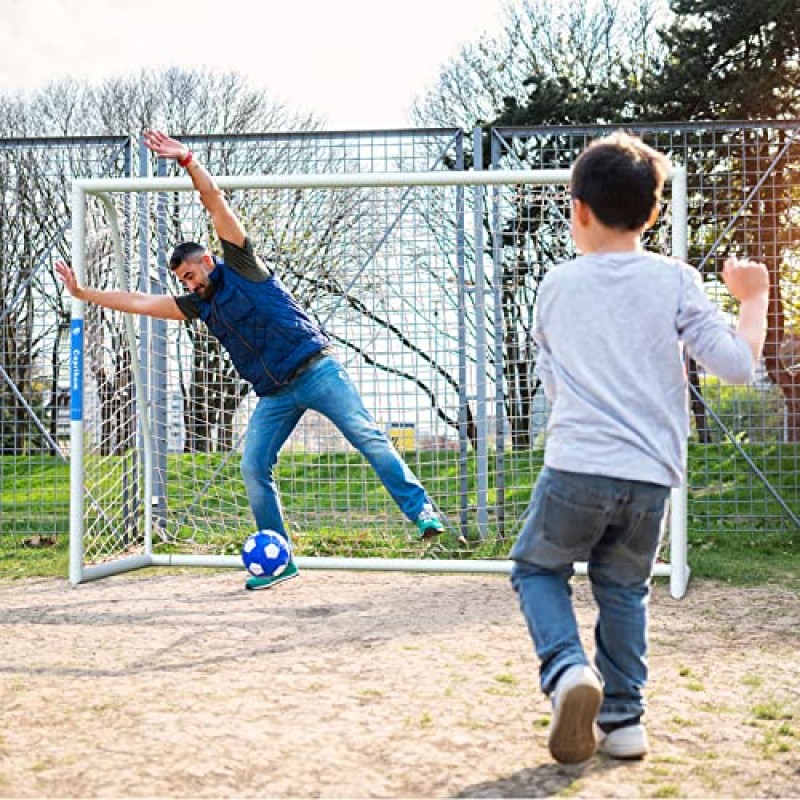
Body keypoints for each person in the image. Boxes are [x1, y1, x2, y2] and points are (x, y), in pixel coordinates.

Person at [56, 129, 444, 591]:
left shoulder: (241, 264)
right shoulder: (198, 305)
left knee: (367, 435)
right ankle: (279, 558)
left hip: (317, 369)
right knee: (253, 466)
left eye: (190, 273)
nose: (188, 282)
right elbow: (139, 302)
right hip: (274, 394)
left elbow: (215, 202)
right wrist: (83, 293)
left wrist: (187, 161)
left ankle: (421, 510)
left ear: (205, 259)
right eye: (181, 279)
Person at [509, 132, 768, 765]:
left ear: (578, 210)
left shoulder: (556, 287)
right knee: (624, 590)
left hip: (577, 464)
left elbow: (551, 373)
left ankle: (569, 671)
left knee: (537, 569)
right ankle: (624, 723)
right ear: (653, 214)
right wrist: (755, 299)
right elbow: (736, 366)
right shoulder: (675, 281)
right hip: (651, 474)